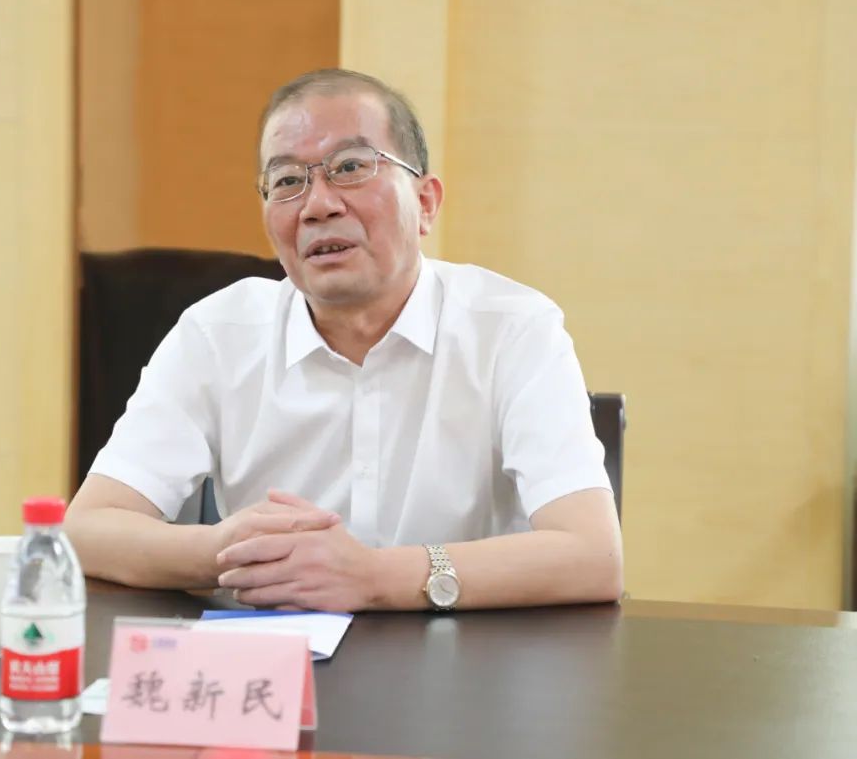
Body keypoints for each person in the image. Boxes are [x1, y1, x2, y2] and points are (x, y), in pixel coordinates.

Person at [64, 68, 622, 612]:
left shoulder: (512, 328)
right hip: (274, 658)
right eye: (288, 181)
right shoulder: (216, 335)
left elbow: (593, 556)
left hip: (466, 657)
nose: (318, 205)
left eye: (351, 167)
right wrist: (225, 550)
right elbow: (88, 529)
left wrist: (373, 578)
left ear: (425, 202)